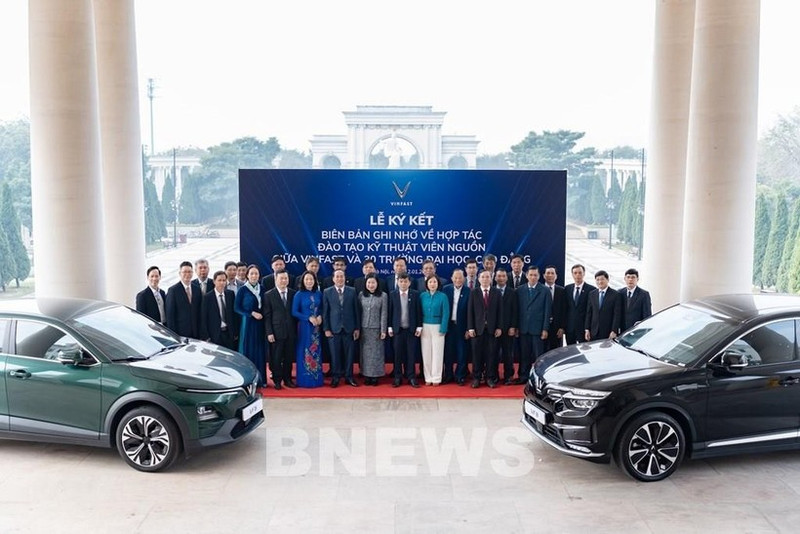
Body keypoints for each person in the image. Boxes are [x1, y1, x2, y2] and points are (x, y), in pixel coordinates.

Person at [323, 269, 361, 387]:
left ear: (345, 278)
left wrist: (357, 328)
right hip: (334, 329)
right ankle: (336, 377)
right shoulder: (327, 292)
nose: (340, 279)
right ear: (333, 279)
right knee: (335, 355)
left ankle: (349, 377)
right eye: (337, 277)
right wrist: (326, 328)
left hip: (349, 328)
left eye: (342, 276)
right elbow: (325, 312)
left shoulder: (352, 291)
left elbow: (356, 311)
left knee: (349, 354)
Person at [516, 266, 551, 384]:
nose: (533, 277)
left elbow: (547, 311)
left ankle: (538, 379)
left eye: (535, 275)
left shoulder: (545, 290)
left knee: (538, 356)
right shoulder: (520, 290)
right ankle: (523, 376)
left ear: (539, 276)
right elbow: (517, 310)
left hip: (538, 329)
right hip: (523, 328)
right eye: (530, 275)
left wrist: (545, 328)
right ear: (526, 276)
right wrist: (516, 327)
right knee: (524, 354)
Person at [467, 270, 503, 388]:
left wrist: (499, 327)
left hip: (492, 330)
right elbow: (470, 311)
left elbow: (500, 311)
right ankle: (477, 378)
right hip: (477, 330)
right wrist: (470, 327)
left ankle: (490, 378)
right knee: (477, 355)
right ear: (479, 279)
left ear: (491, 278)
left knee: (491, 355)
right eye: (483, 277)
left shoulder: (496, 293)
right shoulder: (474, 292)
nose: (485, 279)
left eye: (488, 277)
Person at [263, 271, 297, 389]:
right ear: (276, 279)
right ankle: (277, 380)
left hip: (290, 331)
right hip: (276, 331)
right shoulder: (268, 295)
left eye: (285, 278)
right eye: (281, 278)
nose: (284, 281)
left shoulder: (293, 294)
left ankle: (287, 379)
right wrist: (269, 332)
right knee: (276, 357)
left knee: (289, 356)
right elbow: (267, 316)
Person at [387, 273, 422, 387]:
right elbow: (390, 311)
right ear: (398, 282)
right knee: (397, 355)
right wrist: (390, 327)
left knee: (411, 354)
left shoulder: (415, 294)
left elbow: (418, 311)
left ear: (409, 282)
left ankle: (411, 376)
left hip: (411, 329)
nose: (403, 283)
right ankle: (398, 377)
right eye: (401, 281)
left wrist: (419, 326)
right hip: (397, 330)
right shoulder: (392, 294)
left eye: (405, 281)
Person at [234, 265, 267, 387]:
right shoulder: (243, 290)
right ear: (247, 275)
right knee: (248, 349)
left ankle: (261, 380)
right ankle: (247, 380)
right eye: (252, 274)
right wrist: (251, 313)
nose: (254, 276)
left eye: (256, 274)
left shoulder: (262, 289)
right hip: (248, 323)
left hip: (260, 323)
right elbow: (237, 308)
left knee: (260, 350)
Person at [292, 271, 323, 388]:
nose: (309, 282)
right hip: (304, 327)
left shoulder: (319, 293)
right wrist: (307, 318)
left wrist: (320, 316)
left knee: (316, 351)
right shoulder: (298, 294)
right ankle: (304, 380)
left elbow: (322, 309)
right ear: (303, 281)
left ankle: (316, 378)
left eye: (311, 279)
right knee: (305, 350)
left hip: (316, 327)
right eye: (307, 280)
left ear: (315, 281)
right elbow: (294, 312)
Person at [358, 273, 388, 385]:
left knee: (376, 353)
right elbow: (358, 312)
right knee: (365, 354)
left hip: (377, 328)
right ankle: (366, 374)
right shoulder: (361, 295)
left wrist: (383, 330)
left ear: (377, 284)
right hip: (364, 328)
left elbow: (384, 313)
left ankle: (376, 376)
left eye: (373, 282)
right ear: (366, 284)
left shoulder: (383, 295)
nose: (371, 285)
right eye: (369, 282)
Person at [420, 275, 449, 386]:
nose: (432, 284)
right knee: (426, 352)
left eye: (435, 282)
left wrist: (443, 327)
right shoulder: (422, 296)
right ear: (427, 284)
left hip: (438, 327)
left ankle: (436, 377)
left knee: (437, 353)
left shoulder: (443, 296)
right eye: (430, 282)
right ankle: (428, 377)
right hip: (425, 326)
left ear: (438, 284)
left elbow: (446, 313)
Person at [200, 270, 238, 350]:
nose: (222, 283)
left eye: (224, 280)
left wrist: (235, 332)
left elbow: (234, 315)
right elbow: (204, 318)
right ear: (214, 281)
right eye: (219, 280)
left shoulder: (230, 294)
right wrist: (206, 336)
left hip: (229, 333)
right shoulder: (207, 297)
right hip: (215, 334)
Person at [494, 268, 519, 384]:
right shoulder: (492, 291)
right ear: (495, 278)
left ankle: (509, 376)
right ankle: (494, 376)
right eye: (499, 276)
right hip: (494, 329)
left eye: (503, 276)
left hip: (508, 328)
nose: (501, 278)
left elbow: (515, 311)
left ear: (507, 278)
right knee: (493, 353)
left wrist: (513, 326)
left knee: (508, 353)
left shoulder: (512, 292)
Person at [165, 261, 201, 338]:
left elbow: (199, 312)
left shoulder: (197, 289)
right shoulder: (173, 290)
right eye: (184, 272)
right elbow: (170, 315)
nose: (187, 274)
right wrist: (174, 336)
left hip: (196, 333)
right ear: (180, 273)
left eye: (189, 272)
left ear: (192, 273)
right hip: (180, 333)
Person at [585, 270, 623, 341]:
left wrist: (614, 330)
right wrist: (587, 329)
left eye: (602, 279)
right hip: (594, 331)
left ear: (607, 280)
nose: (600, 282)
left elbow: (617, 314)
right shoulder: (592, 294)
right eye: (597, 279)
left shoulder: (616, 295)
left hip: (608, 332)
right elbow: (589, 313)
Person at [564, 264, 595, 345]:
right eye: (575, 273)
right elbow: (565, 309)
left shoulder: (591, 290)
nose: (578, 275)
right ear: (572, 274)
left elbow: (592, 311)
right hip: (570, 328)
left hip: (584, 328)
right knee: (570, 352)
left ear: (584, 273)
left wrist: (588, 328)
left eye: (580, 273)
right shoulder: (567, 288)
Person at [543, 265, 568, 351]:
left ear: (556, 276)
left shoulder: (562, 291)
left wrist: (562, 327)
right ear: (544, 276)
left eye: (552, 273)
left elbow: (565, 310)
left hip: (557, 328)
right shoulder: (539, 289)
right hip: (542, 328)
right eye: (548, 273)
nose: (550, 275)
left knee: (556, 353)